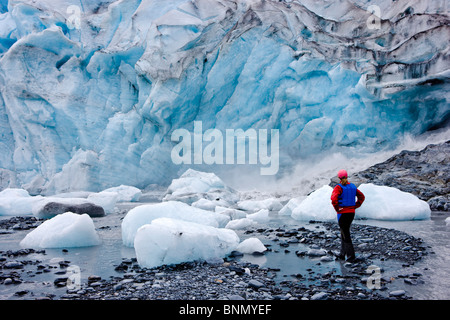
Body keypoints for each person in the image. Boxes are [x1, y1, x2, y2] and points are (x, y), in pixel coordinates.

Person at [330, 169, 365, 262]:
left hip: (342, 213)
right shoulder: (353, 187)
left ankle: (351, 257)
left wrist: (337, 208)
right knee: (344, 233)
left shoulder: (338, 187)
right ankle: (342, 254)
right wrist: (355, 206)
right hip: (351, 213)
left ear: (339, 178)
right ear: (347, 176)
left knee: (346, 234)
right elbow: (362, 197)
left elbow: (333, 199)